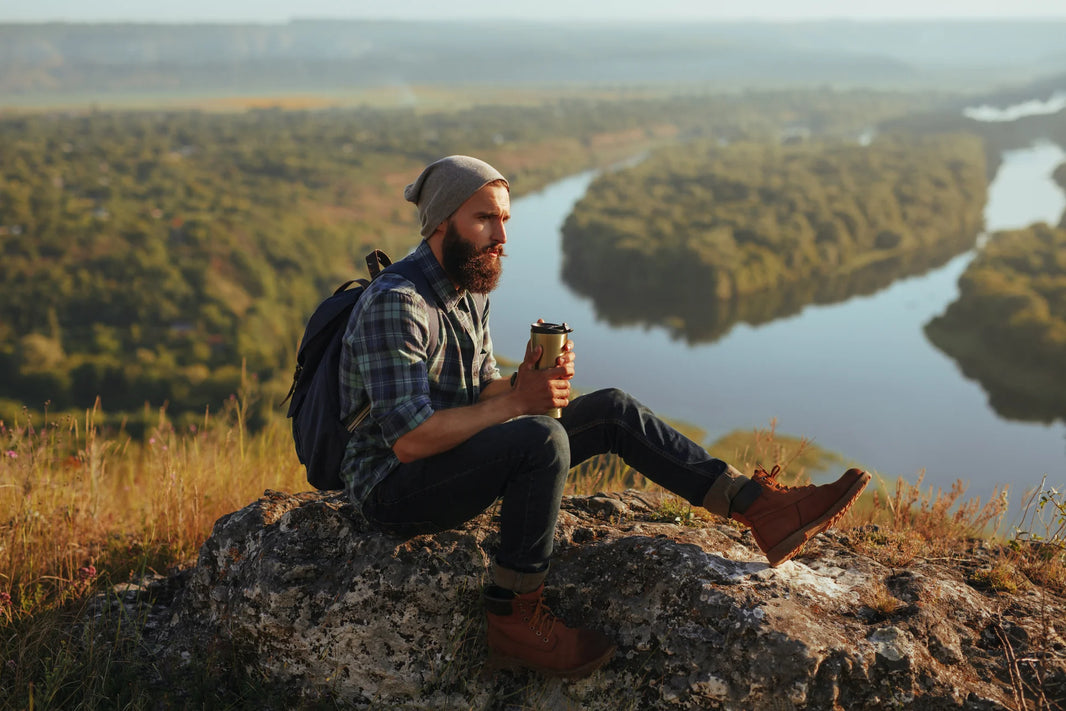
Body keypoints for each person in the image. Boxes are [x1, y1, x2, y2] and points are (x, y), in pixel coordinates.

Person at [338, 155, 870, 678]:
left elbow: (478, 389)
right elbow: (409, 441)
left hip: (450, 457)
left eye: (505, 219)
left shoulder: (467, 285)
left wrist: (524, 381)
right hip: (393, 489)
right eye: (484, 218)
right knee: (541, 439)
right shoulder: (400, 302)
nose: (501, 235)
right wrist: (520, 403)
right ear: (441, 223)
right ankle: (514, 616)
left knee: (610, 409)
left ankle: (758, 509)